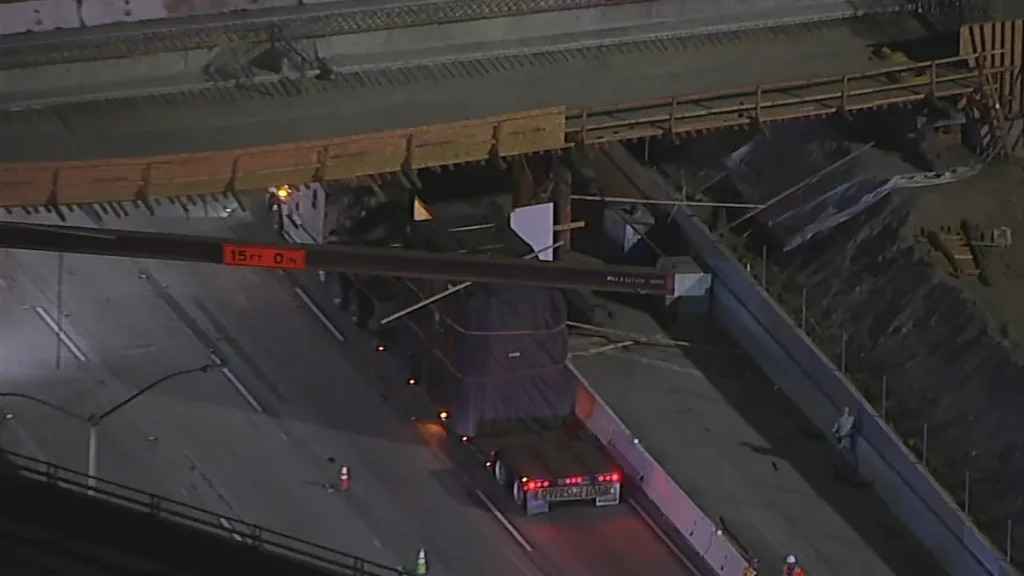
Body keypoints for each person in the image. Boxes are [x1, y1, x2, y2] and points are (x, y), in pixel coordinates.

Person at [832, 405, 858, 475]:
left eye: (847, 410)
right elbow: (834, 430)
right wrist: (837, 436)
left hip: (846, 439)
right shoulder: (840, 419)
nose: (846, 412)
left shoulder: (851, 419)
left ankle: (850, 470)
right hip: (843, 439)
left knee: (848, 454)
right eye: (845, 410)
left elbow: (854, 429)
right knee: (841, 454)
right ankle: (842, 469)